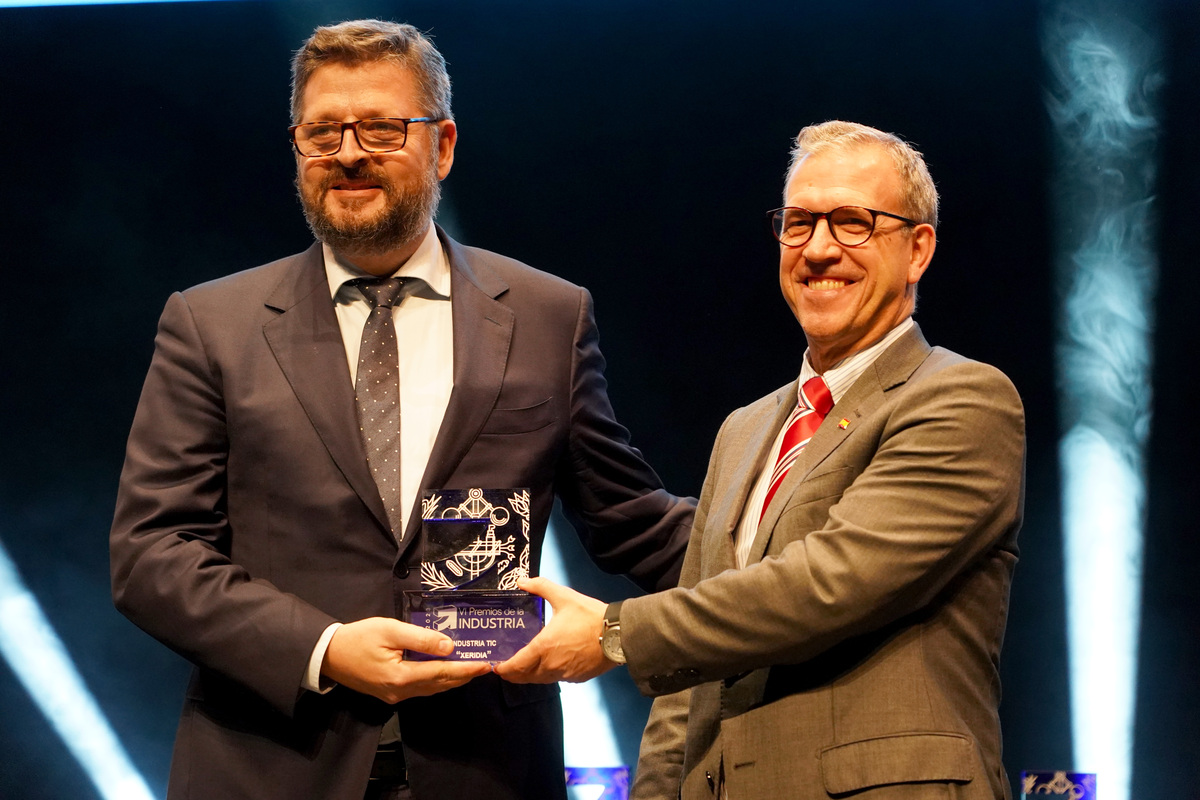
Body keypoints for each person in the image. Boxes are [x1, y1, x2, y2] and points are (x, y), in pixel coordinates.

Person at [109, 19, 693, 800]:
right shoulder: (212, 324)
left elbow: (635, 521)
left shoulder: (549, 316)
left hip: (485, 769)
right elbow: (153, 554)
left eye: (381, 128)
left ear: (443, 145)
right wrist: (326, 646)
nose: (348, 152)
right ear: (297, 149)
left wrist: (808, 552)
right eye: (323, 132)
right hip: (270, 768)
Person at [497, 120, 1025, 800]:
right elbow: (693, 656)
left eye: (852, 223)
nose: (820, 249)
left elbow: (827, 584)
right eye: (799, 223)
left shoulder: (962, 399)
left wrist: (613, 632)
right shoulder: (744, 431)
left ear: (918, 248)